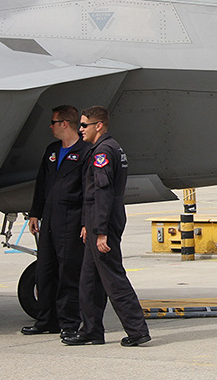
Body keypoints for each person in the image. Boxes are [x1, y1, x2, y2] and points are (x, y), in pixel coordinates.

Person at [61, 106, 151, 347]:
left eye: (83, 125)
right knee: (88, 280)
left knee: (113, 277)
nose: (79, 130)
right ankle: (91, 330)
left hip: (104, 220)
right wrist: (86, 225)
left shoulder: (104, 151)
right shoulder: (107, 148)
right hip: (95, 219)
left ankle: (137, 330)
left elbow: (102, 193)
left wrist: (100, 231)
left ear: (98, 125)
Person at [21, 105, 90, 338]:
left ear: (64, 124)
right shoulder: (52, 150)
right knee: (45, 269)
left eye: (53, 122)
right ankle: (46, 320)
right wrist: (34, 213)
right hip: (50, 217)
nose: (50, 127)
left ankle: (69, 322)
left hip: (71, 218)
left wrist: (86, 222)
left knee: (68, 271)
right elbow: (42, 184)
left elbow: (89, 191)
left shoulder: (85, 152)